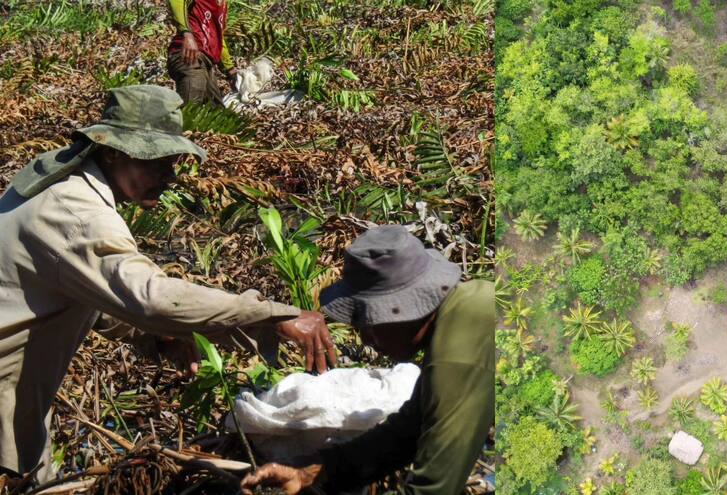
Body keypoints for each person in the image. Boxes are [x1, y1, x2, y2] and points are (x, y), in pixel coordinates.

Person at [0, 85, 336, 482]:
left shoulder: (61, 180)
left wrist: (154, 339)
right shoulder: (76, 214)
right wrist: (274, 315)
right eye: (156, 162)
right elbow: (152, 298)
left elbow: (74, 290)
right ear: (112, 151)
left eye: (172, 162)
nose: (169, 175)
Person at [241, 225, 494, 495]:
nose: (364, 339)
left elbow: (434, 488)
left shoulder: (457, 356)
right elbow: (408, 431)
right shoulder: (465, 312)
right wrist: (310, 473)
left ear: (400, 309)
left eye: (367, 320)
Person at [167, 0, 236, 105]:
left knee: (217, 113)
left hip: (207, 62)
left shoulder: (223, 5)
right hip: (189, 55)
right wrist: (187, 33)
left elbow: (217, 38)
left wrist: (230, 69)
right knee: (191, 104)